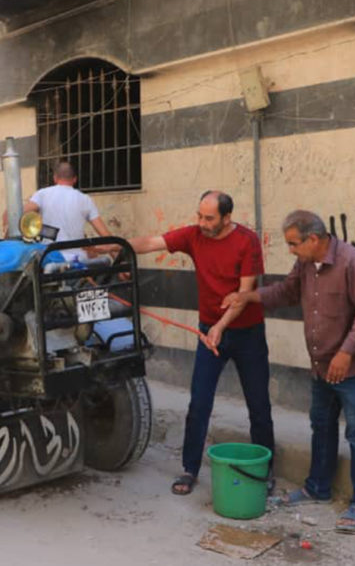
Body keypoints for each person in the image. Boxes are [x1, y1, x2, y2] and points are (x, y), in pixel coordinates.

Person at [225, 209, 355, 534]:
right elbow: (285, 291)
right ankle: (317, 488)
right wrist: (248, 296)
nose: (291, 251)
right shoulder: (305, 263)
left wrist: (346, 352)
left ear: (313, 239)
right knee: (321, 426)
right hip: (321, 365)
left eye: (293, 244)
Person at [123, 191, 274, 496]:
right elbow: (153, 243)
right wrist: (115, 247)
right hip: (210, 331)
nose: (202, 223)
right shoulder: (194, 236)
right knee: (199, 402)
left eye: (209, 218)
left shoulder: (247, 241)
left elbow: (244, 294)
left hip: (246, 333)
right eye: (200, 216)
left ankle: (265, 471)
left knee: (258, 405)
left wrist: (220, 326)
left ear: (226, 218)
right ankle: (189, 468)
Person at [23, 162, 113, 263]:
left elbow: (21, 213)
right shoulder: (85, 199)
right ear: (75, 179)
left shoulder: (42, 194)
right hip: (78, 260)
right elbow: (106, 236)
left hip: (50, 259)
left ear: (55, 178)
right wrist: (120, 262)